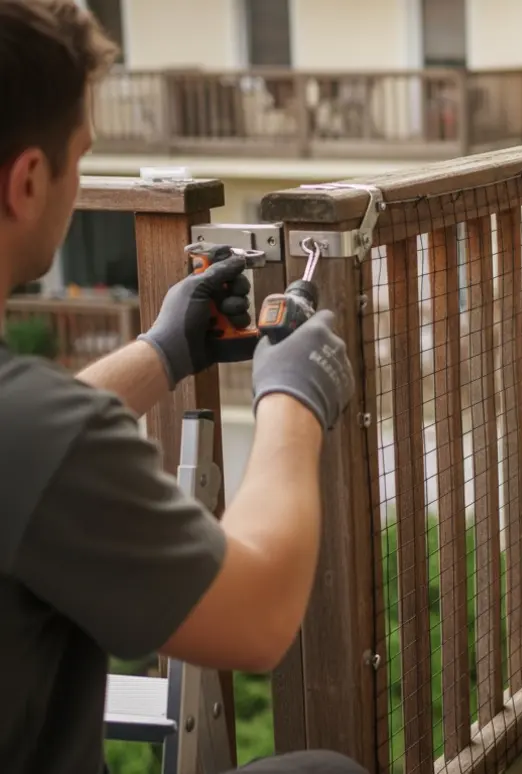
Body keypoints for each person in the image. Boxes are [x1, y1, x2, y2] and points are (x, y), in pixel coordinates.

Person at [0, 1, 365, 772]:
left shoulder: (27, 427)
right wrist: (294, 397)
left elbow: (33, 448)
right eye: (80, 155)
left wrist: (162, 353)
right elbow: (260, 615)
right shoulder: (29, 431)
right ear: (27, 181)